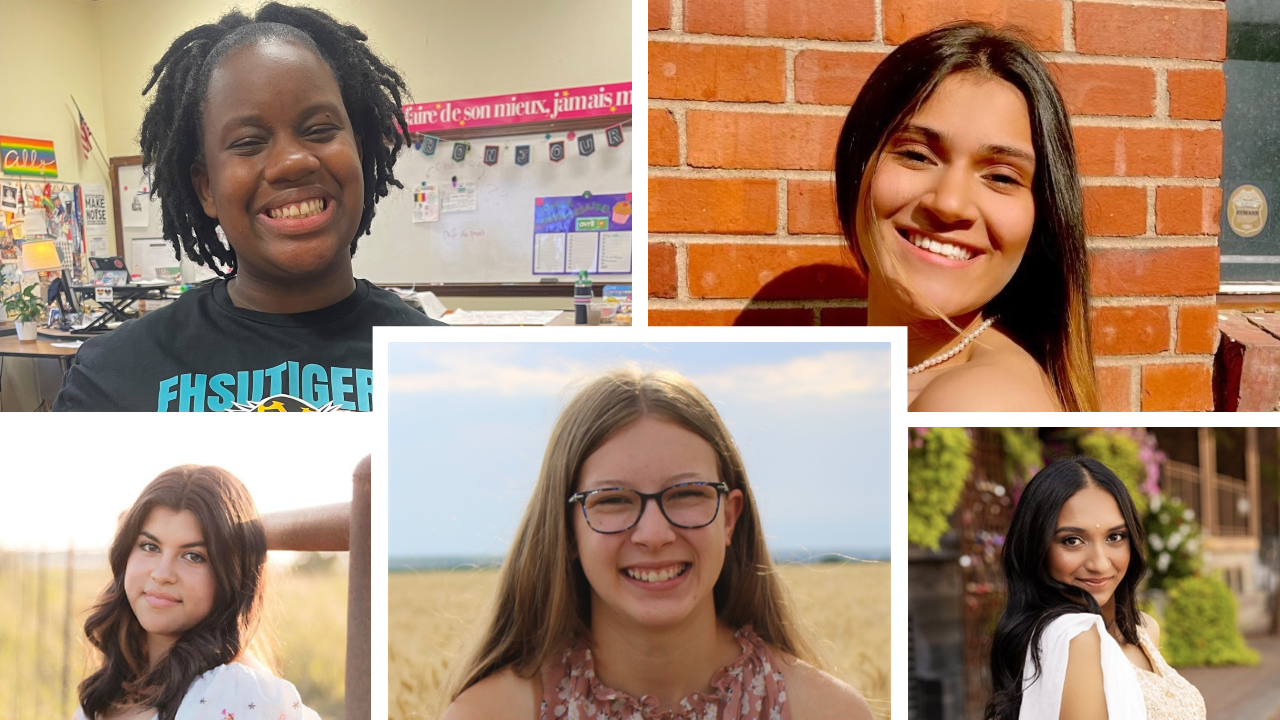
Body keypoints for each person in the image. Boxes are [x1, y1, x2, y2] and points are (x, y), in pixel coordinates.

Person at [54, 3, 443, 413]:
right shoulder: (111, 377)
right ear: (207, 189)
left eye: (320, 130)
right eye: (248, 142)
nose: (293, 162)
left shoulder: (449, 368)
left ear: (359, 156)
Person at [441, 368, 873, 720]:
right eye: (612, 500)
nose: (654, 534)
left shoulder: (829, 712)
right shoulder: (489, 714)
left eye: (686, 494)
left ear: (729, 517)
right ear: (567, 529)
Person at [834, 22, 1097, 411]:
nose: (950, 204)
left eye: (1001, 177)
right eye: (916, 155)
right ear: (858, 169)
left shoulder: (971, 401)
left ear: (1041, 219)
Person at [74, 465, 322, 720]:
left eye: (193, 556)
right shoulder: (117, 682)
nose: (162, 573)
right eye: (150, 546)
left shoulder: (238, 696)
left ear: (231, 574)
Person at [986, 457, 1206, 720]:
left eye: (1115, 537)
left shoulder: (1143, 630)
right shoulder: (1077, 637)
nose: (1100, 564)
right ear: (1037, 547)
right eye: (1072, 540)